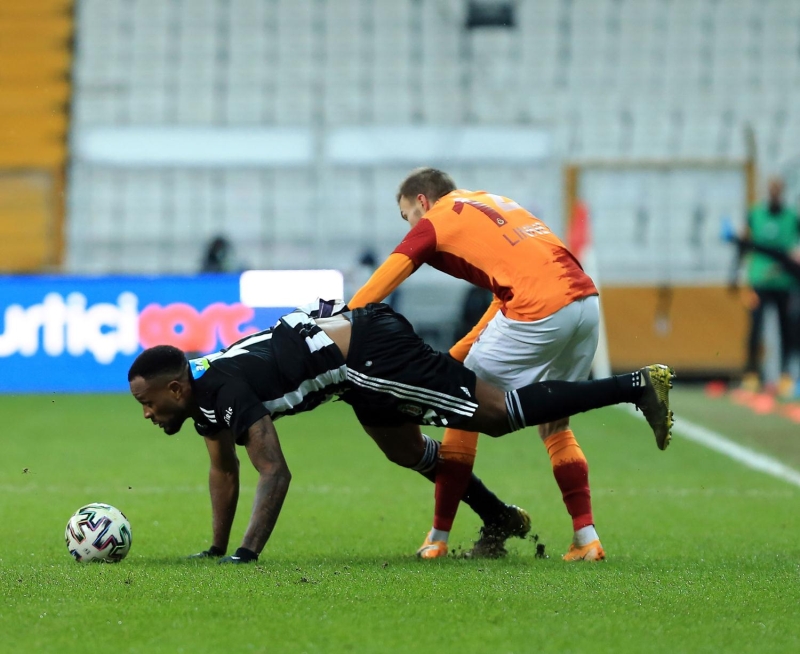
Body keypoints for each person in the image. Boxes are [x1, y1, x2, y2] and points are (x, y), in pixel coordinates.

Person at [128, 299, 674, 564]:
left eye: (148, 404)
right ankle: (500, 517)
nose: (146, 415)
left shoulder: (223, 390)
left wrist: (244, 555)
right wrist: (215, 547)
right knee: (406, 451)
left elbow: (274, 472)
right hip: (349, 373)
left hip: (368, 352)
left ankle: (634, 385)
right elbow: (223, 471)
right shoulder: (198, 393)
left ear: (173, 390)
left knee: (497, 415)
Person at [348, 168, 608, 561]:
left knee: (461, 408)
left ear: (422, 201)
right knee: (555, 422)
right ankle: (586, 538)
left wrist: (346, 318)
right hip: (585, 304)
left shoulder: (438, 217)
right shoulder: (491, 201)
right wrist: (459, 353)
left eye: (407, 216)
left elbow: (392, 270)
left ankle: (437, 539)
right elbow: (503, 294)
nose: (410, 225)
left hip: (540, 307)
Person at [735, 178, 799, 398]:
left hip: (784, 282)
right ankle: (751, 375)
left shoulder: (792, 217)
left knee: (787, 330)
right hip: (759, 281)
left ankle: (785, 377)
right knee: (756, 327)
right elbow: (744, 243)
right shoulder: (755, 215)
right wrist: (738, 275)